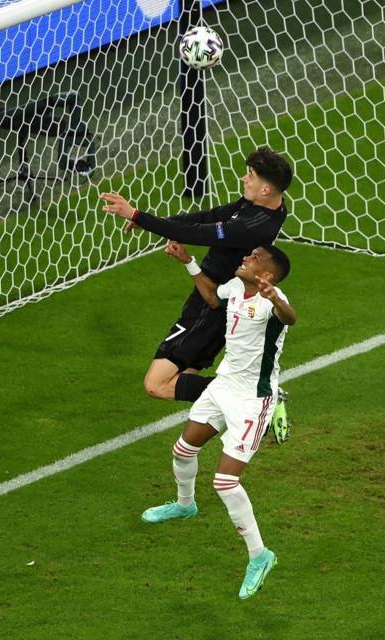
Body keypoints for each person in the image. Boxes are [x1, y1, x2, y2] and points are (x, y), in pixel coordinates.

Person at [100, 147, 293, 443]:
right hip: (219, 303)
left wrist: (136, 214)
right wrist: (162, 219)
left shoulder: (250, 228)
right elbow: (211, 216)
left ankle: (258, 402)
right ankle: (257, 400)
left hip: (209, 305)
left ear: (266, 188)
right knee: (182, 379)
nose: (244, 178)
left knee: (156, 384)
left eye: (250, 176)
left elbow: (201, 233)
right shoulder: (269, 207)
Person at [141, 241, 296, 600]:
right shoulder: (236, 286)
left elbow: (290, 317)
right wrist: (189, 262)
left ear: (267, 275)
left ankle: (260, 556)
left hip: (251, 400)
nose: (245, 258)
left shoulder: (272, 300)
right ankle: (184, 505)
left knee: (226, 482)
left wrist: (275, 298)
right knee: (183, 449)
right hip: (222, 386)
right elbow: (213, 298)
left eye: (253, 258)